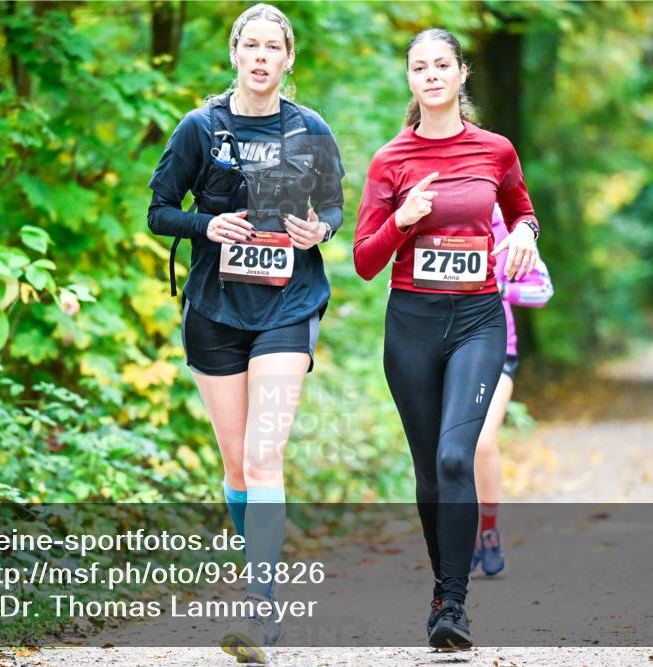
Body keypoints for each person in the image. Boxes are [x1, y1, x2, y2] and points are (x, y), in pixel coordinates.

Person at [146, 3, 344, 662]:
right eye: (250, 45)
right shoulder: (201, 128)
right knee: (236, 465)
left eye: (272, 47)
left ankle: (261, 604)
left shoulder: (310, 129)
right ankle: (262, 582)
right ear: (235, 53)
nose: (261, 57)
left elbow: (334, 204)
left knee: (264, 458)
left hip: (288, 304)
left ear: (288, 58)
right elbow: (158, 211)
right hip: (215, 308)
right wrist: (207, 225)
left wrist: (320, 230)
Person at [354, 28, 540, 652]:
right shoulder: (391, 160)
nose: (431, 75)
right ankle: (442, 590)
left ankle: (454, 604)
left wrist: (525, 234)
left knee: (457, 457)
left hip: (478, 321)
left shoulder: (495, 149)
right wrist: (402, 220)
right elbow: (365, 260)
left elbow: (521, 210)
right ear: (410, 79)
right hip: (412, 323)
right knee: (430, 471)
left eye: (442, 64)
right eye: (419, 67)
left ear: (462, 74)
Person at [471, 205, 554, 577]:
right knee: (449, 451)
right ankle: (461, 533)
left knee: (482, 442)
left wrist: (501, 288)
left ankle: (488, 529)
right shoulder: (436, 218)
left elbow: (542, 290)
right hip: (442, 350)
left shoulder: (507, 228)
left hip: (497, 350)